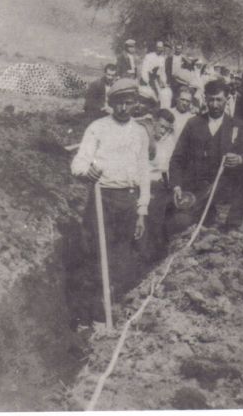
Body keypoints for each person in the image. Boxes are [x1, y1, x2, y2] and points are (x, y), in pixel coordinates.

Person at [69, 78, 150, 321]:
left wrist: (142, 210)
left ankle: (113, 310)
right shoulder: (98, 128)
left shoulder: (140, 133)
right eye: (119, 103)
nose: (124, 108)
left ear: (135, 103)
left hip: (128, 200)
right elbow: (78, 162)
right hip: (101, 198)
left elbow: (144, 172)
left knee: (121, 256)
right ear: (111, 103)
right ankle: (89, 316)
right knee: (95, 255)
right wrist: (87, 172)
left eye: (129, 102)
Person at [169, 80, 243, 232]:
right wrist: (176, 185)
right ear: (205, 99)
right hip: (196, 186)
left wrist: (240, 159)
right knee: (181, 223)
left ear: (227, 99)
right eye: (211, 100)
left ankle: (232, 224)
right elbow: (177, 159)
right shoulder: (193, 123)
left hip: (223, 186)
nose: (215, 105)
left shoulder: (235, 125)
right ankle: (206, 213)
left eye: (219, 100)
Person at [144, 108, 177, 262]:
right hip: (144, 182)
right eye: (161, 126)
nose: (163, 131)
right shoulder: (144, 136)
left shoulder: (168, 141)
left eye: (167, 129)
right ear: (154, 122)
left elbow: (169, 166)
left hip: (161, 184)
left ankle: (159, 253)